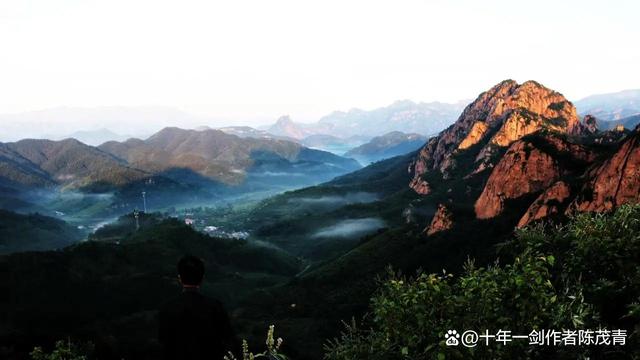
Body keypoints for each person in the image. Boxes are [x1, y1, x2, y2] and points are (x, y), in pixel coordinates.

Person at [158, 255, 239, 360]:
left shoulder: (168, 307)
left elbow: (162, 340)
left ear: (180, 278)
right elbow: (228, 338)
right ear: (202, 278)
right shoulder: (215, 306)